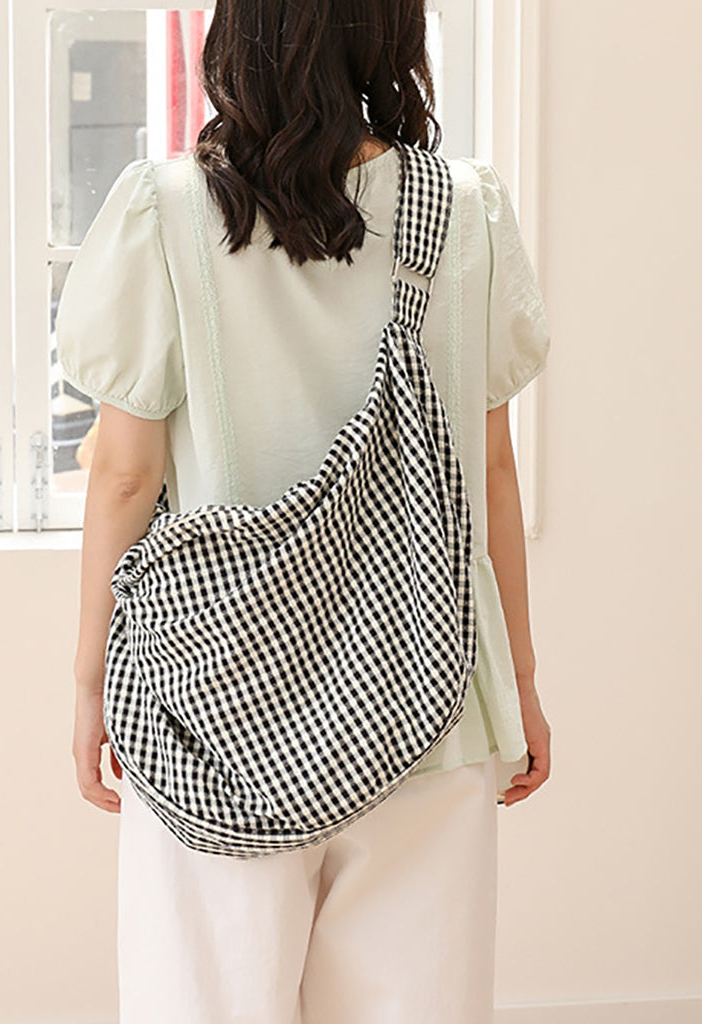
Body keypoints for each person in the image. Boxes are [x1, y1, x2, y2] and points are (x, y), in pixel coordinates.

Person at [58, 1, 552, 1020]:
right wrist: (522, 685)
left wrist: (89, 682)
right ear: (391, 31)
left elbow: (123, 478)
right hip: (428, 699)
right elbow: (490, 469)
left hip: (210, 708)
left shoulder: (165, 211)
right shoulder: (464, 210)